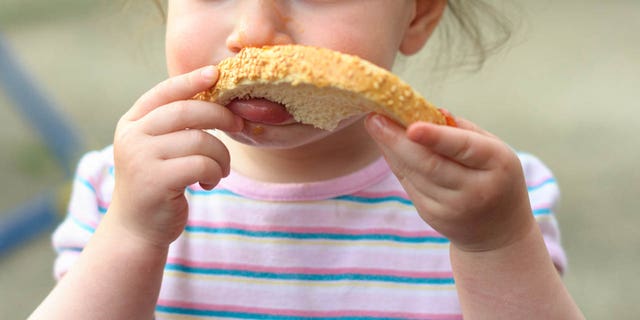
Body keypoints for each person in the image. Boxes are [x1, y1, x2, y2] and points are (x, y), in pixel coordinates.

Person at [30, 1, 584, 319]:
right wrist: (130, 234)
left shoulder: (492, 201)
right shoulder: (117, 191)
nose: (254, 32)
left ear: (416, 16)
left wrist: (496, 245)